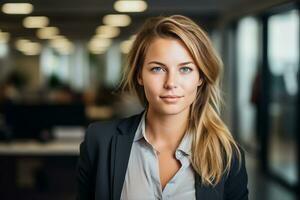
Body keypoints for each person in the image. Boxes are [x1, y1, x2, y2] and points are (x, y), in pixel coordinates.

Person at [76, 15, 248, 200]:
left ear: (201, 77)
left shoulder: (227, 155)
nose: (171, 83)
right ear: (139, 75)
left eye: (185, 69)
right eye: (158, 69)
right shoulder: (100, 142)